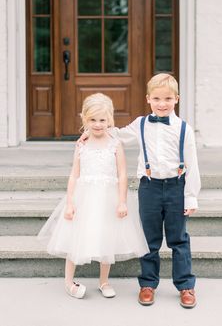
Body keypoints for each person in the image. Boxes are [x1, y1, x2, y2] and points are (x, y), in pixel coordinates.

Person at [79, 73, 201, 308]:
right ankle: (148, 284)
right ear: (148, 99)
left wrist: (191, 196)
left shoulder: (184, 129)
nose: (162, 103)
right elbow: (116, 134)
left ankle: (185, 285)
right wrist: (90, 132)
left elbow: (192, 164)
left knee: (179, 239)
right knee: (149, 239)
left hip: (176, 188)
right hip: (149, 188)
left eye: (167, 98)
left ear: (177, 98)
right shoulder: (141, 124)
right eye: (156, 98)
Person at [38, 93, 149, 299]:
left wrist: (122, 201)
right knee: (75, 236)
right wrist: (70, 202)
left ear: (110, 120)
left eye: (102, 120)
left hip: (108, 197)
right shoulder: (82, 144)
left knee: (106, 235)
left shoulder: (115, 144)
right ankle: (68, 281)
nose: (98, 125)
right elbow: (74, 174)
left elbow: (122, 173)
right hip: (84, 196)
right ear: (84, 120)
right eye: (93, 120)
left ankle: (104, 281)